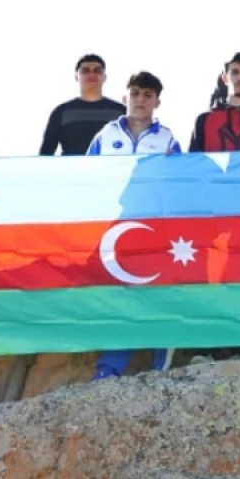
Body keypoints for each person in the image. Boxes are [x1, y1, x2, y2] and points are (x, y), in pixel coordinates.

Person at [87, 72, 182, 380]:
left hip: (153, 227)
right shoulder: (105, 134)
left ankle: (161, 363)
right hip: (114, 225)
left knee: (154, 293)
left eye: (148, 95)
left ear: (157, 101)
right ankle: (109, 368)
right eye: (136, 93)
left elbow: (182, 181)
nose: (141, 100)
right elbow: (83, 175)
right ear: (126, 96)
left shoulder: (167, 138)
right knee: (118, 295)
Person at [39, 54, 127, 155]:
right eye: (85, 71)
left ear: (104, 77)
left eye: (97, 71)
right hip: (72, 170)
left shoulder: (121, 112)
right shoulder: (62, 112)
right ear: (77, 77)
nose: (91, 75)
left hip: (110, 170)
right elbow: (46, 152)